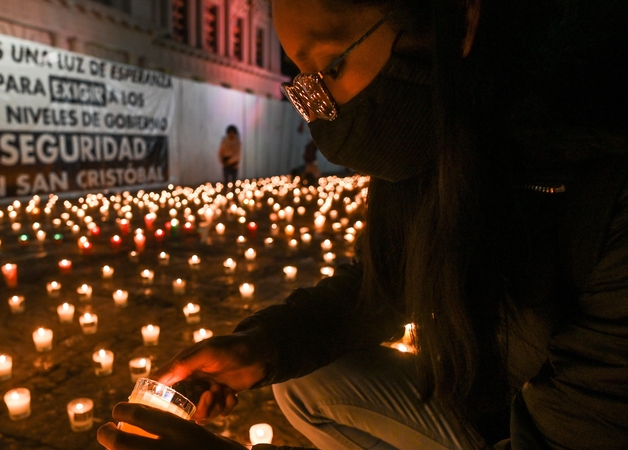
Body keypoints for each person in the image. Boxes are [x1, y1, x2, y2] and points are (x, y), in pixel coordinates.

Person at [98, 0, 628, 449]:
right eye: (302, 83)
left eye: (330, 67)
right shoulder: (440, 141)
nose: (321, 110)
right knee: (303, 381)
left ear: (460, 19)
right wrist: (264, 346)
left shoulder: (607, 185)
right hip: (495, 395)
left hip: (566, 424)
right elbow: (386, 285)